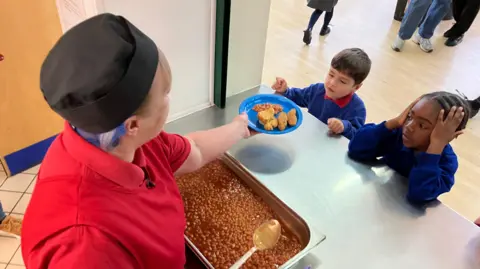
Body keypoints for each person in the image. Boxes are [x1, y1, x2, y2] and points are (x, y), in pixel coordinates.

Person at [21, 14, 250, 269]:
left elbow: (193, 150)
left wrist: (241, 127)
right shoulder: (85, 245)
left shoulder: (126, 140)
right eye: (166, 93)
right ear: (132, 124)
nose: (169, 100)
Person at [348, 91, 478, 203]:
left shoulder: (446, 162)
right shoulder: (399, 134)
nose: (409, 126)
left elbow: (419, 194)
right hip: (377, 200)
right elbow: (356, 148)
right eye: (410, 116)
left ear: (449, 136)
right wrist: (395, 122)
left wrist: (435, 146)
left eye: (422, 125)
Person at [272, 48, 371, 140]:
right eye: (331, 74)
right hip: (310, 138)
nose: (332, 83)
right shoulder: (318, 89)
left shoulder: (357, 108)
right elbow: (298, 96)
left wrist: (344, 127)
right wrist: (285, 90)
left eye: (342, 81)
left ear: (356, 87)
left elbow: (356, 138)